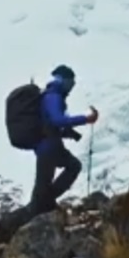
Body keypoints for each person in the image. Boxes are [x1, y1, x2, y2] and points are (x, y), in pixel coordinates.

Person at [30, 65, 98, 213]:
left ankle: (43, 204)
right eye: (71, 83)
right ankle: (7, 224)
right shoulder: (53, 96)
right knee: (71, 168)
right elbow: (57, 120)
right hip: (49, 148)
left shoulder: (50, 95)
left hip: (47, 147)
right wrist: (86, 119)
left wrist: (71, 133)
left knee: (44, 186)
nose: (72, 87)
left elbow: (51, 123)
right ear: (65, 81)